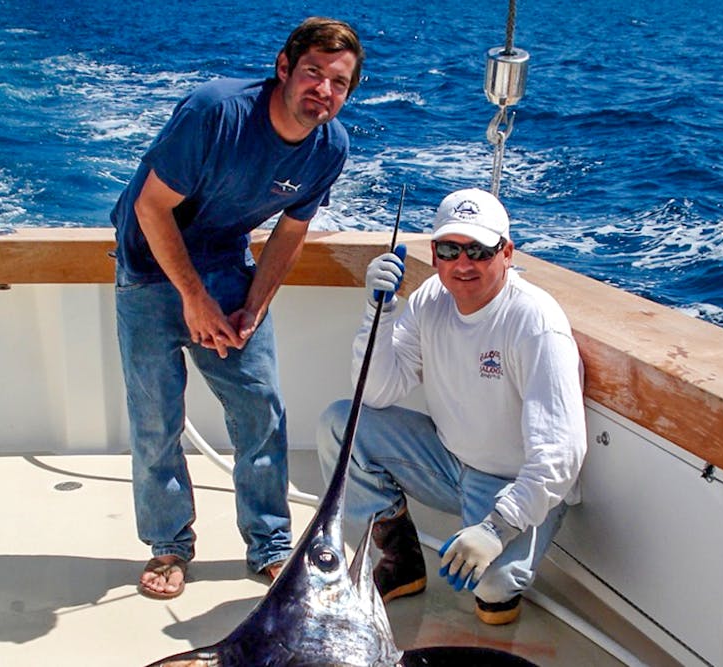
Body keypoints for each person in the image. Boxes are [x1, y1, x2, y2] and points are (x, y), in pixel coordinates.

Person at [111, 17, 365, 600]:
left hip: (226, 263)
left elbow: (289, 233)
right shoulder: (215, 113)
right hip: (149, 265)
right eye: (312, 73)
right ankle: (169, 543)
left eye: (339, 82)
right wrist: (194, 299)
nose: (323, 90)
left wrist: (253, 306)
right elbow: (152, 209)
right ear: (283, 69)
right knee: (156, 417)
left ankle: (271, 544)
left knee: (261, 410)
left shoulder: (330, 148)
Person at [316, 188, 586, 624]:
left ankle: (505, 542)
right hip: (448, 461)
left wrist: (496, 529)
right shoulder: (429, 300)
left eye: (479, 250)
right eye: (449, 249)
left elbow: (560, 456)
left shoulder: (535, 323)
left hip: (514, 481)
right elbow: (378, 392)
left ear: (507, 252)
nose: (463, 264)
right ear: (436, 255)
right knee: (338, 425)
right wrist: (377, 312)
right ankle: (401, 559)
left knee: (492, 592)